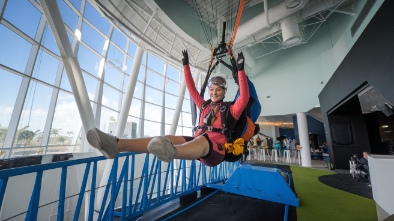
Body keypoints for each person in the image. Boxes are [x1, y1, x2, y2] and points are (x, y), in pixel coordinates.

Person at [86, 50, 250, 167]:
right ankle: (117, 145)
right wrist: (186, 67)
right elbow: (192, 89)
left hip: (216, 151)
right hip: (197, 143)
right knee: (170, 137)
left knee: (200, 140)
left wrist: (240, 71)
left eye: (218, 90)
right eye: (212, 90)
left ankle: (171, 152)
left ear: (224, 91)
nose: (214, 93)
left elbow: (244, 97)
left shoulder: (230, 109)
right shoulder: (205, 105)